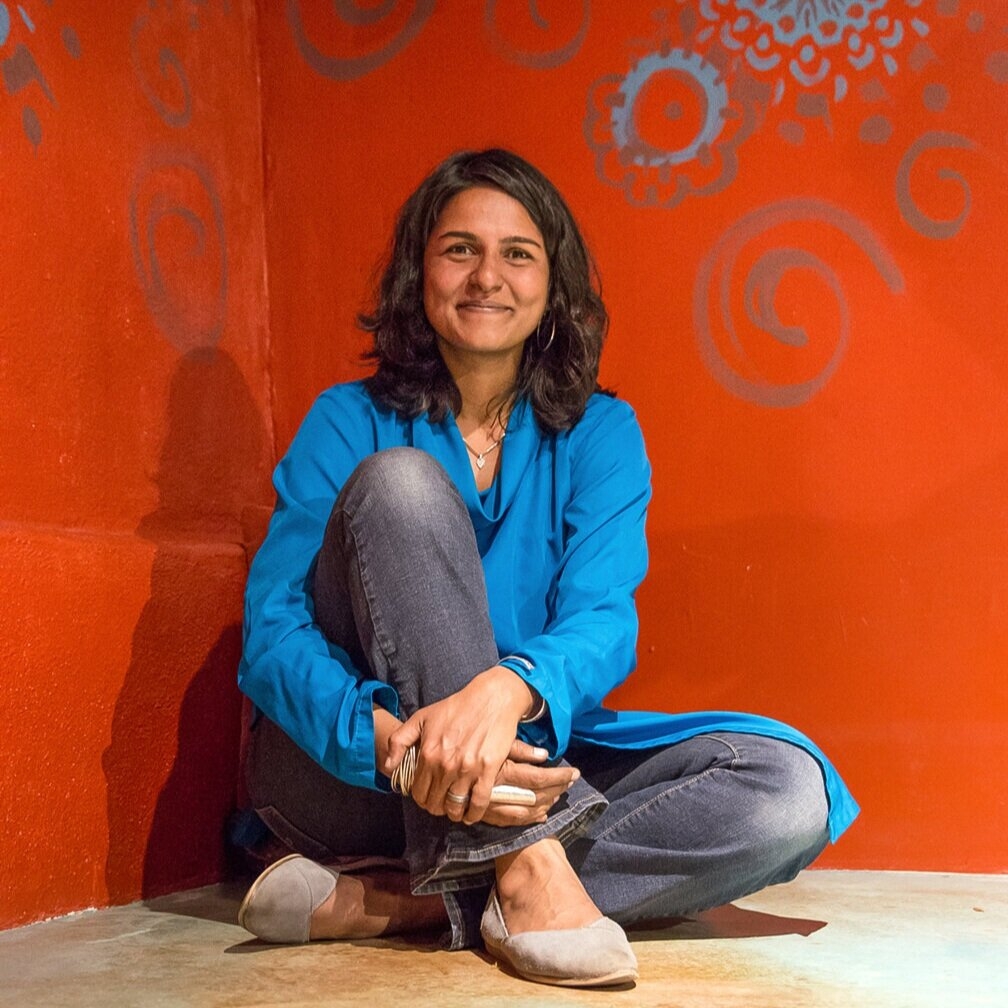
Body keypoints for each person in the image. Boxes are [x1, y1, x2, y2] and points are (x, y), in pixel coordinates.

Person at [235, 148, 859, 988]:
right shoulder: (346, 420)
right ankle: (524, 870)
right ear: (419, 272)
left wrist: (508, 692)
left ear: (551, 284)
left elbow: (602, 620)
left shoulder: (601, 434)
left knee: (787, 791)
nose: (487, 276)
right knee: (400, 486)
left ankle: (407, 903)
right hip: (358, 774)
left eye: (517, 253)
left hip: (527, 757)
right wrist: (396, 749)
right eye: (460, 249)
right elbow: (272, 631)